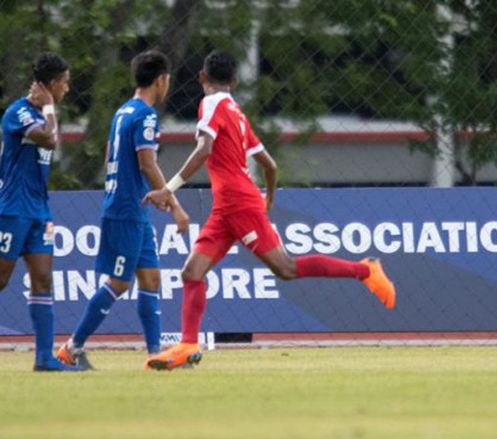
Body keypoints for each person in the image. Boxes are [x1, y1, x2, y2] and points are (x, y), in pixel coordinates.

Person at [142, 50, 396, 370]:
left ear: (202, 78)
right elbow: (270, 165)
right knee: (192, 272)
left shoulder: (210, 104)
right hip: (228, 207)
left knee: (285, 268)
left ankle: (366, 270)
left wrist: (169, 188)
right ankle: (188, 345)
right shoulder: (237, 112)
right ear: (234, 81)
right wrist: (270, 196)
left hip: (239, 204)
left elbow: (204, 148)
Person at [56, 51, 189, 369]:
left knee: (151, 277)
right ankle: (71, 349)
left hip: (133, 206)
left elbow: (108, 159)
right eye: (167, 80)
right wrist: (174, 203)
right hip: (126, 209)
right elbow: (147, 162)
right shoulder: (145, 114)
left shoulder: (122, 112)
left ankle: (155, 352)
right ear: (161, 80)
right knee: (119, 283)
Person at [0, 53, 84, 371]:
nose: (68, 86)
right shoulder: (17, 113)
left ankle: (44, 358)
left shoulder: (42, 113)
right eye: (64, 81)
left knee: (43, 279)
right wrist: (49, 106)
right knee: (2, 279)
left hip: (39, 210)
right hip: (12, 210)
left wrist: (49, 108)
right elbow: (49, 140)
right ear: (50, 85)